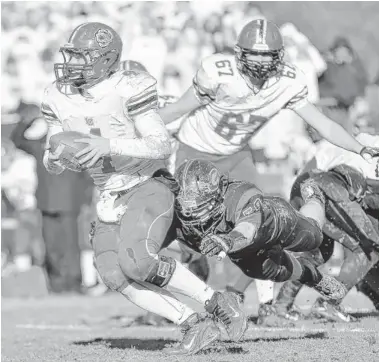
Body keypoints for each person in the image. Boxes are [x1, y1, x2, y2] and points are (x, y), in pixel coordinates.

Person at [41, 22, 246, 356]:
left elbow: (160, 144)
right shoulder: (56, 95)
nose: (73, 63)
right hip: (108, 194)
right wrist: (58, 158)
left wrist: (108, 144)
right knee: (111, 274)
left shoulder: (128, 87)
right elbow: (52, 151)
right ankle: (193, 323)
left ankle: (217, 302)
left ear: (105, 59)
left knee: (137, 261)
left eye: (82, 56)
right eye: (72, 55)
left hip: (146, 184)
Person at [159, 18, 379, 313]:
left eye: (267, 54)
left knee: (259, 224)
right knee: (190, 235)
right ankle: (185, 288)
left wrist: (360, 146)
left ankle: (235, 295)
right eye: (254, 54)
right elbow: (176, 109)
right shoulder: (217, 72)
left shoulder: (287, 81)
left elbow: (324, 124)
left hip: (236, 155)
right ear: (239, 53)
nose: (260, 62)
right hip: (194, 156)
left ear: (279, 56)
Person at [172, 159, 348, 305]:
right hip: (246, 251)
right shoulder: (181, 217)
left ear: (215, 190)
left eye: (198, 203)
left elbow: (248, 229)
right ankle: (313, 278)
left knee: (314, 237)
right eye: (187, 204)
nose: (193, 211)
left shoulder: (239, 194)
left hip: (274, 224)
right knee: (272, 271)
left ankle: (315, 197)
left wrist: (228, 240)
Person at [264, 133, 379, 324]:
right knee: (368, 249)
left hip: (310, 187)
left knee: (318, 253)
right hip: (327, 186)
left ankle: (281, 306)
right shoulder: (363, 148)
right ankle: (330, 303)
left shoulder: (356, 143)